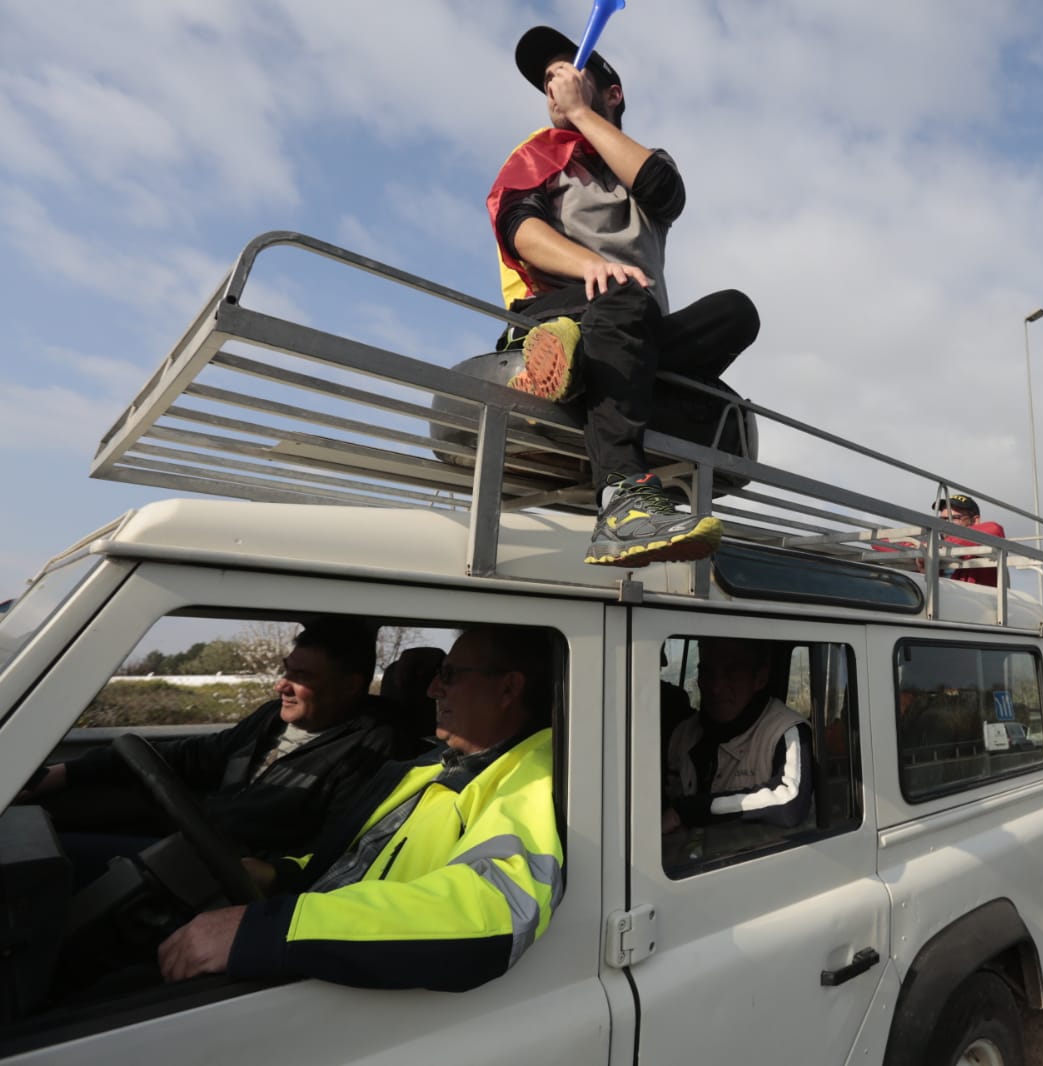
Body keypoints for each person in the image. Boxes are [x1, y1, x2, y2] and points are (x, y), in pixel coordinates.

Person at [156, 624, 564, 991]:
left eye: (449, 675)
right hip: (324, 942)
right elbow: (360, 859)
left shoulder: (530, 776)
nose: (432, 690)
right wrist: (282, 874)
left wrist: (267, 931)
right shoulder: (431, 764)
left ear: (509, 689)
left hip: (341, 968)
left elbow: (493, 912)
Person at [488, 25, 760, 568]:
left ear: (612, 92)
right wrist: (591, 264)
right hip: (555, 305)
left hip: (631, 323)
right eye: (547, 80)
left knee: (736, 311)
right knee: (623, 299)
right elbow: (519, 227)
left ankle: (576, 360)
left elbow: (666, 194)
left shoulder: (643, 159)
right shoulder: (536, 154)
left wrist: (584, 114)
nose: (554, 84)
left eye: (570, 69)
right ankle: (622, 497)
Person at [29, 617, 414, 867]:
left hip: (219, 866)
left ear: (349, 685)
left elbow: (333, 850)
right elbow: (197, 754)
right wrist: (69, 771)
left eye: (302, 676)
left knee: (51, 859)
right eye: (286, 671)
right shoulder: (271, 717)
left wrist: (260, 867)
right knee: (45, 823)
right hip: (188, 831)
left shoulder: (372, 750)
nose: (281, 685)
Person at [662, 638, 812, 833]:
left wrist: (688, 811)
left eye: (732, 672)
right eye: (707, 672)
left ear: (760, 677)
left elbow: (790, 805)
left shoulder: (786, 731)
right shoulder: (683, 734)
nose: (716, 688)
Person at [934, 495, 1008, 587]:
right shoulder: (936, 547)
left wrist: (945, 544)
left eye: (954, 518)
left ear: (975, 521)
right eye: (943, 519)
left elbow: (995, 529)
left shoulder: (984, 544)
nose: (946, 523)